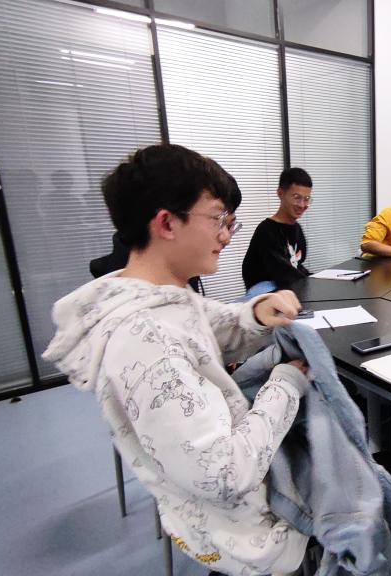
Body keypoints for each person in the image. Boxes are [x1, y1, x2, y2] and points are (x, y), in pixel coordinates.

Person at [42, 144, 313, 576]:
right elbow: (224, 474)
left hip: (228, 514)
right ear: (167, 223)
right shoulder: (143, 342)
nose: (227, 235)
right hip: (245, 535)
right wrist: (285, 384)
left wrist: (257, 313)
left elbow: (212, 329)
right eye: (218, 219)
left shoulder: (162, 295)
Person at [242, 167, 313, 293]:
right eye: (296, 197)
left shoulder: (297, 228)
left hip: (288, 289)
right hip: (267, 294)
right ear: (280, 193)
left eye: (306, 199)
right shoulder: (267, 231)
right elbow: (284, 274)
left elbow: (296, 266)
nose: (302, 205)